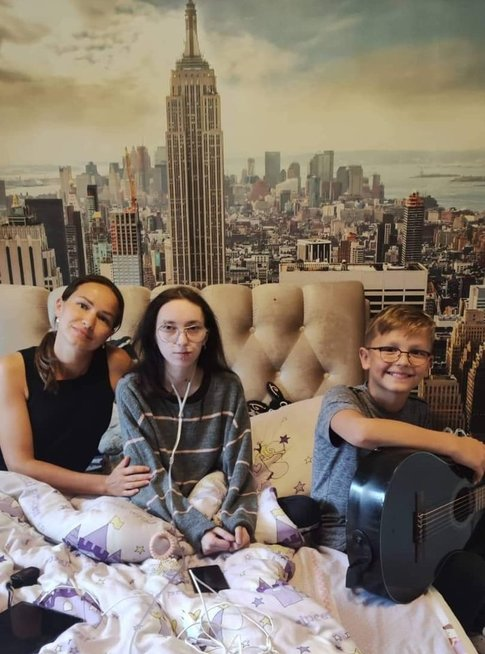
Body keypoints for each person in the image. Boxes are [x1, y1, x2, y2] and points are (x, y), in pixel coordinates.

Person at [311, 304, 485, 648]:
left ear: (428, 364)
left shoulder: (420, 413)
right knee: (470, 574)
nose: (403, 360)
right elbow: (362, 432)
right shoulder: (342, 399)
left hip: (410, 531)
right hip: (351, 541)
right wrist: (454, 445)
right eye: (389, 349)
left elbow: (438, 477)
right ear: (365, 357)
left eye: (417, 352)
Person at [115, 286, 258, 557]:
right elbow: (147, 476)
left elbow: (239, 464)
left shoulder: (228, 387)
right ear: (153, 334)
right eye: (169, 328)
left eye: (193, 328)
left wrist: (239, 520)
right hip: (153, 500)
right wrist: (198, 529)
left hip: (210, 493)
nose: (182, 340)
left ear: (206, 336)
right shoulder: (131, 389)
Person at [0, 274, 152, 497]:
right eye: (83, 306)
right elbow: (20, 464)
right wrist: (105, 484)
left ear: (110, 333)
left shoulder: (115, 363)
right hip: (12, 485)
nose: (89, 322)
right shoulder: (12, 369)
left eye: (103, 318)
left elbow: (153, 408)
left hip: (74, 488)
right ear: (59, 306)